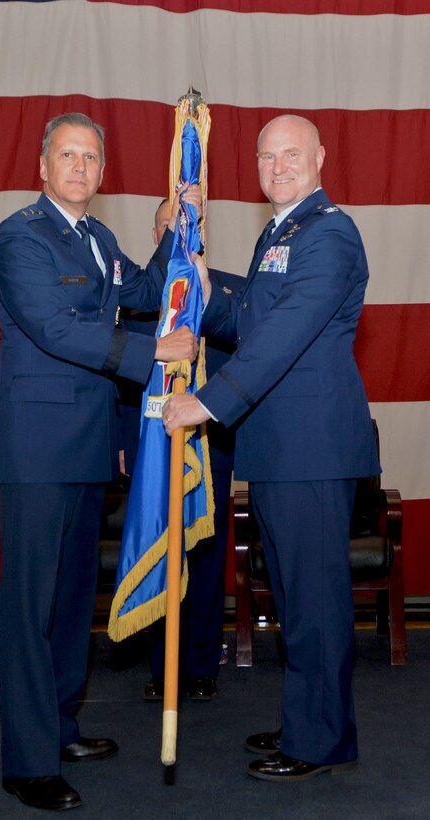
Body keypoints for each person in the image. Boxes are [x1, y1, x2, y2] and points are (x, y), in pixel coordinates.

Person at [0, 112, 202, 811]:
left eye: (90, 157)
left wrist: (172, 230)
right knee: (30, 608)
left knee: (74, 600)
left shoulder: (98, 237)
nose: (79, 167)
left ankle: (59, 725)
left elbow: (141, 293)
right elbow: (55, 329)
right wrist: (152, 356)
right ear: (43, 167)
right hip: (37, 452)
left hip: (85, 447)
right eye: (67, 155)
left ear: (101, 173)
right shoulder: (21, 237)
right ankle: (26, 760)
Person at [162, 114, 380, 781]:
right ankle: (310, 721)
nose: (278, 166)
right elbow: (253, 316)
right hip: (282, 447)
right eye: (266, 156)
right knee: (291, 599)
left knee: (314, 602)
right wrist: (206, 291)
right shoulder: (279, 232)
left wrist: (205, 402)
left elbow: (285, 333)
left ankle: (318, 741)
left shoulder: (330, 232)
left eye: (291, 154)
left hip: (310, 449)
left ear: (318, 157)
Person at [119, 199, 244, 701]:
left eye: (188, 223)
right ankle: (162, 666)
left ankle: (200, 665)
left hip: (210, 445)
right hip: (151, 446)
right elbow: (123, 383)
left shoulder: (228, 290)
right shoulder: (139, 300)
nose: (180, 231)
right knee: (158, 549)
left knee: (207, 558)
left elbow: (243, 369)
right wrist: (126, 446)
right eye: (171, 225)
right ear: (157, 236)